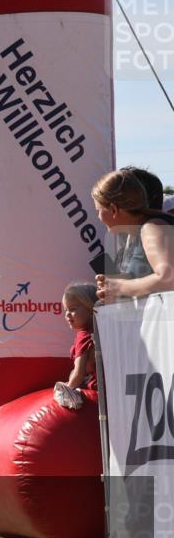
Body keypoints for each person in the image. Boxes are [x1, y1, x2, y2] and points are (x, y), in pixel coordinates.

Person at [92, 169, 174, 302]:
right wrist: (116, 285)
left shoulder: (152, 228)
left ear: (113, 209)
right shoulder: (139, 232)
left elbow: (168, 279)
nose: (98, 217)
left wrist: (120, 287)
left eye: (99, 210)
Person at [53, 283, 98, 410]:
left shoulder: (83, 335)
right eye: (66, 310)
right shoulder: (100, 330)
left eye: (73, 309)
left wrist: (68, 388)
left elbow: (79, 372)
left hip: (92, 386)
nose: (67, 314)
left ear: (90, 310)